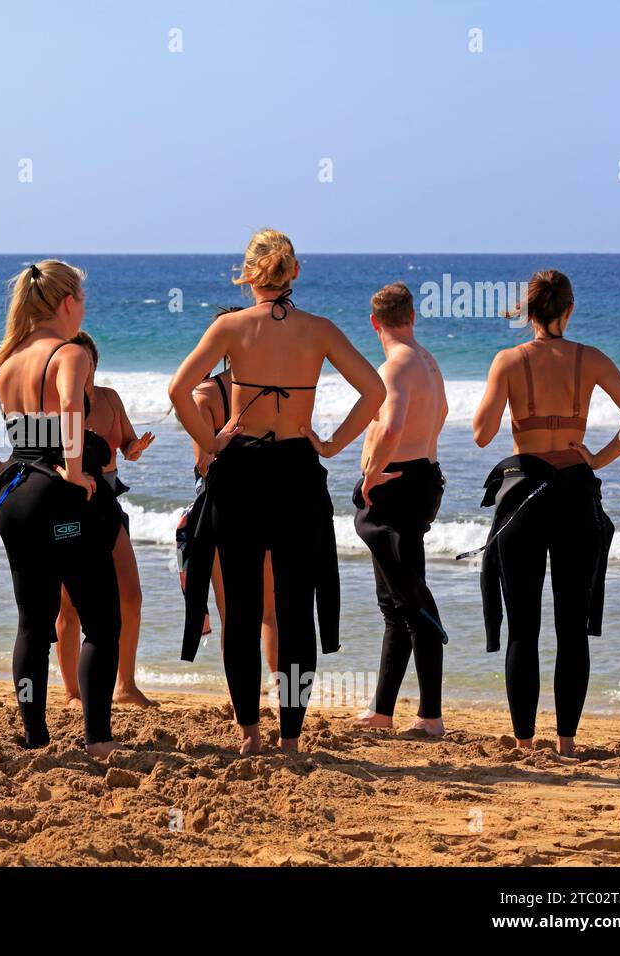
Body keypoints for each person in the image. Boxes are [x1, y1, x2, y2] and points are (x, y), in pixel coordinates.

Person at [168, 229, 384, 753]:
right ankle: (290, 739)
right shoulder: (320, 329)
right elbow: (375, 391)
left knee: (241, 613)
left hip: (241, 474)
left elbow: (178, 389)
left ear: (247, 274)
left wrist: (212, 443)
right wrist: (331, 445)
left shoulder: (230, 327)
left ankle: (249, 733)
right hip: (296, 474)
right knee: (294, 613)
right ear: (295, 272)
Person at [470, 269, 620, 756]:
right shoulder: (591, 359)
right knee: (571, 629)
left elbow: (482, 435)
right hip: (574, 495)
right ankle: (567, 743)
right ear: (569, 310)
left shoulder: (508, 360)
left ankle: (525, 743)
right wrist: (599, 458)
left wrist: (504, 395)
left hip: (524, 499)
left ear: (528, 312)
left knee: (523, 629)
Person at [0, 261, 123, 758]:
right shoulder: (70, 353)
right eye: (83, 300)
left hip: (18, 495)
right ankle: (98, 741)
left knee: (33, 624)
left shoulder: (8, 362)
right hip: (60, 494)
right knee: (101, 622)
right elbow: (71, 404)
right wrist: (72, 469)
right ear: (68, 302)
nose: (83, 310)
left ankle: (35, 738)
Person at [348, 283, 449, 735]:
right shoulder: (427, 361)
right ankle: (383, 711)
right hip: (423, 476)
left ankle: (430, 717)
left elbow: (390, 427)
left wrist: (372, 473)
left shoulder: (394, 367)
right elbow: (440, 412)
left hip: (398, 486)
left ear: (374, 322)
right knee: (395, 603)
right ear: (412, 316)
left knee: (412, 601)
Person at [54, 331, 157, 708]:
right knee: (70, 605)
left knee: (130, 596)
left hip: (109, 502)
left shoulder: (110, 398)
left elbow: (128, 446)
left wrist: (135, 447)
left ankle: (125, 685)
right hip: (69, 502)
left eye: (87, 363)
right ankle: (72, 692)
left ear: (94, 364)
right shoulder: (57, 402)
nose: (82, 370)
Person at [188, 337, 280, 675]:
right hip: (268, 502)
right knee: (270, 612)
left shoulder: (205, 394)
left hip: (223, 508)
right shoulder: (275, 389)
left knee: (234, 614)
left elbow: (203, 464)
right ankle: (280, 690)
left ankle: (244, 696)